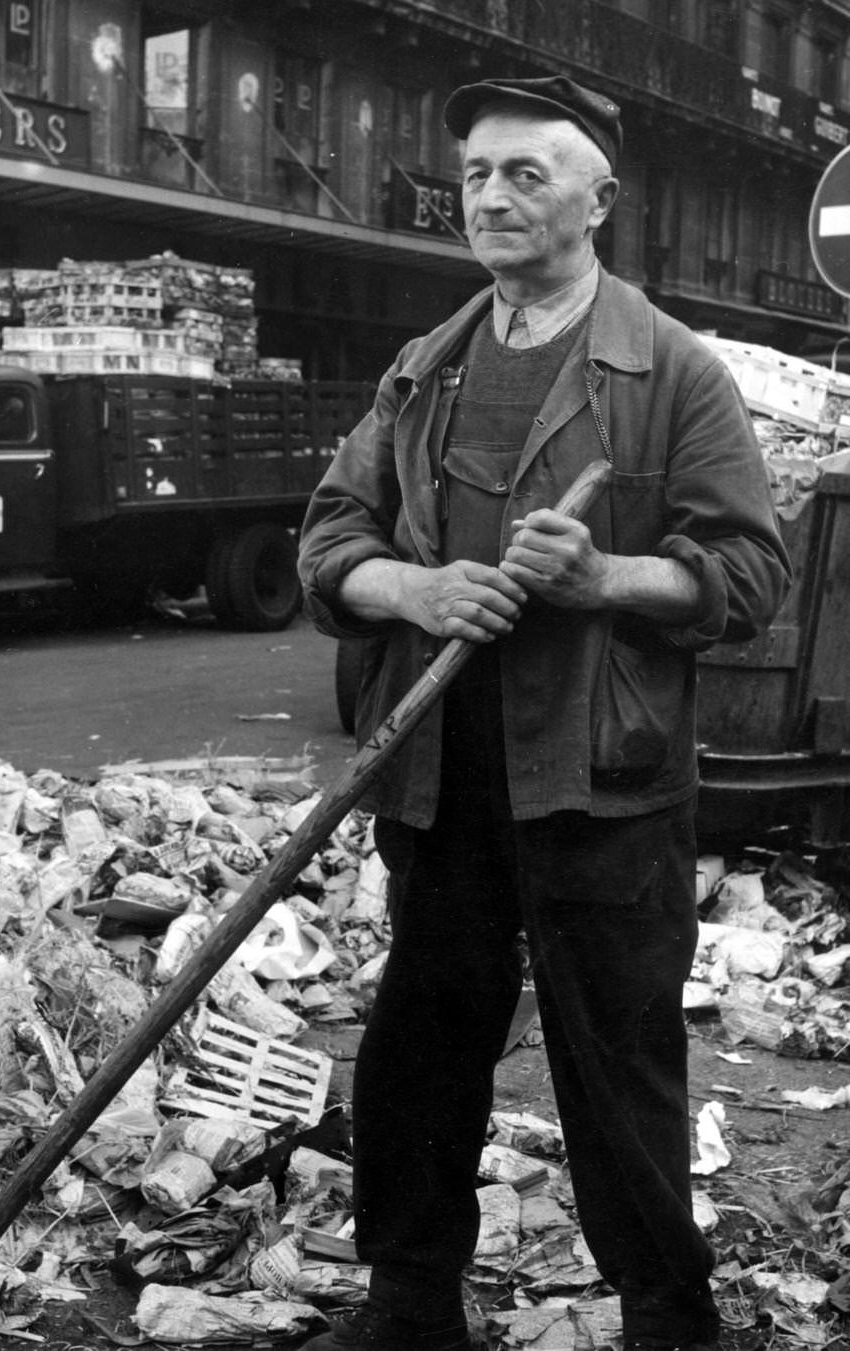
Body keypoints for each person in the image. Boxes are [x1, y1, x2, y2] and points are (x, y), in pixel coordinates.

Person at [297, 75, 790, 1351]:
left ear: (599, 199)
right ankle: (410, 1302)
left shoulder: (673, 368)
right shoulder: (426, 368)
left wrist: (608, 577)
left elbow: (749, 573)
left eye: (528, 172)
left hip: (600, 778)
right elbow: (330, 536)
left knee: (618, 1062)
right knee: (421, 1042)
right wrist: (414, 583)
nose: (495, 196)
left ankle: (667, 1319)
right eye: (477, 175)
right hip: (439, 769)